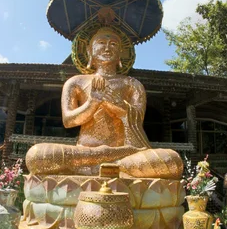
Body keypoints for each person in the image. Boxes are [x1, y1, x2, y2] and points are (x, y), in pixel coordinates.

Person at [26, 26, 183, 179]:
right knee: (36, 155)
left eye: (113, 44)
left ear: (121, 52)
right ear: (89, 51)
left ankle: (106, 167)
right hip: (84, 153)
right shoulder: (76, 82)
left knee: (172, 160)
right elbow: (68, 121)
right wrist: (92, 103)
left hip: (125, 153)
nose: (107, 47)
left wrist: (119, 107)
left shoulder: (132, 84)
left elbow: (137, 123)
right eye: (101, 42)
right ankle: (113, 168)